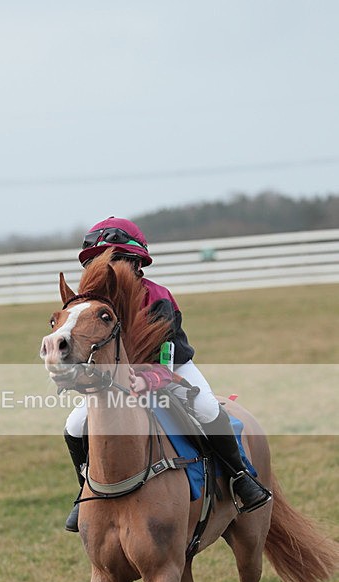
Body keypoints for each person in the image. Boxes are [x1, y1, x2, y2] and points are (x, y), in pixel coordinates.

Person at [63, 216, 272, 532]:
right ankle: (87, 491)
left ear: (136, 263)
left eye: (116, 259)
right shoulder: (94, 308)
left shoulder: (157, 297)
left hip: (172, 368)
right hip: (120, 379)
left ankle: (241, 477)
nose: (107, 268)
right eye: (97, 262)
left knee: (206, 408)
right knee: (75, 424)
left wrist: (147, 379)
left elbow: (167, 358)